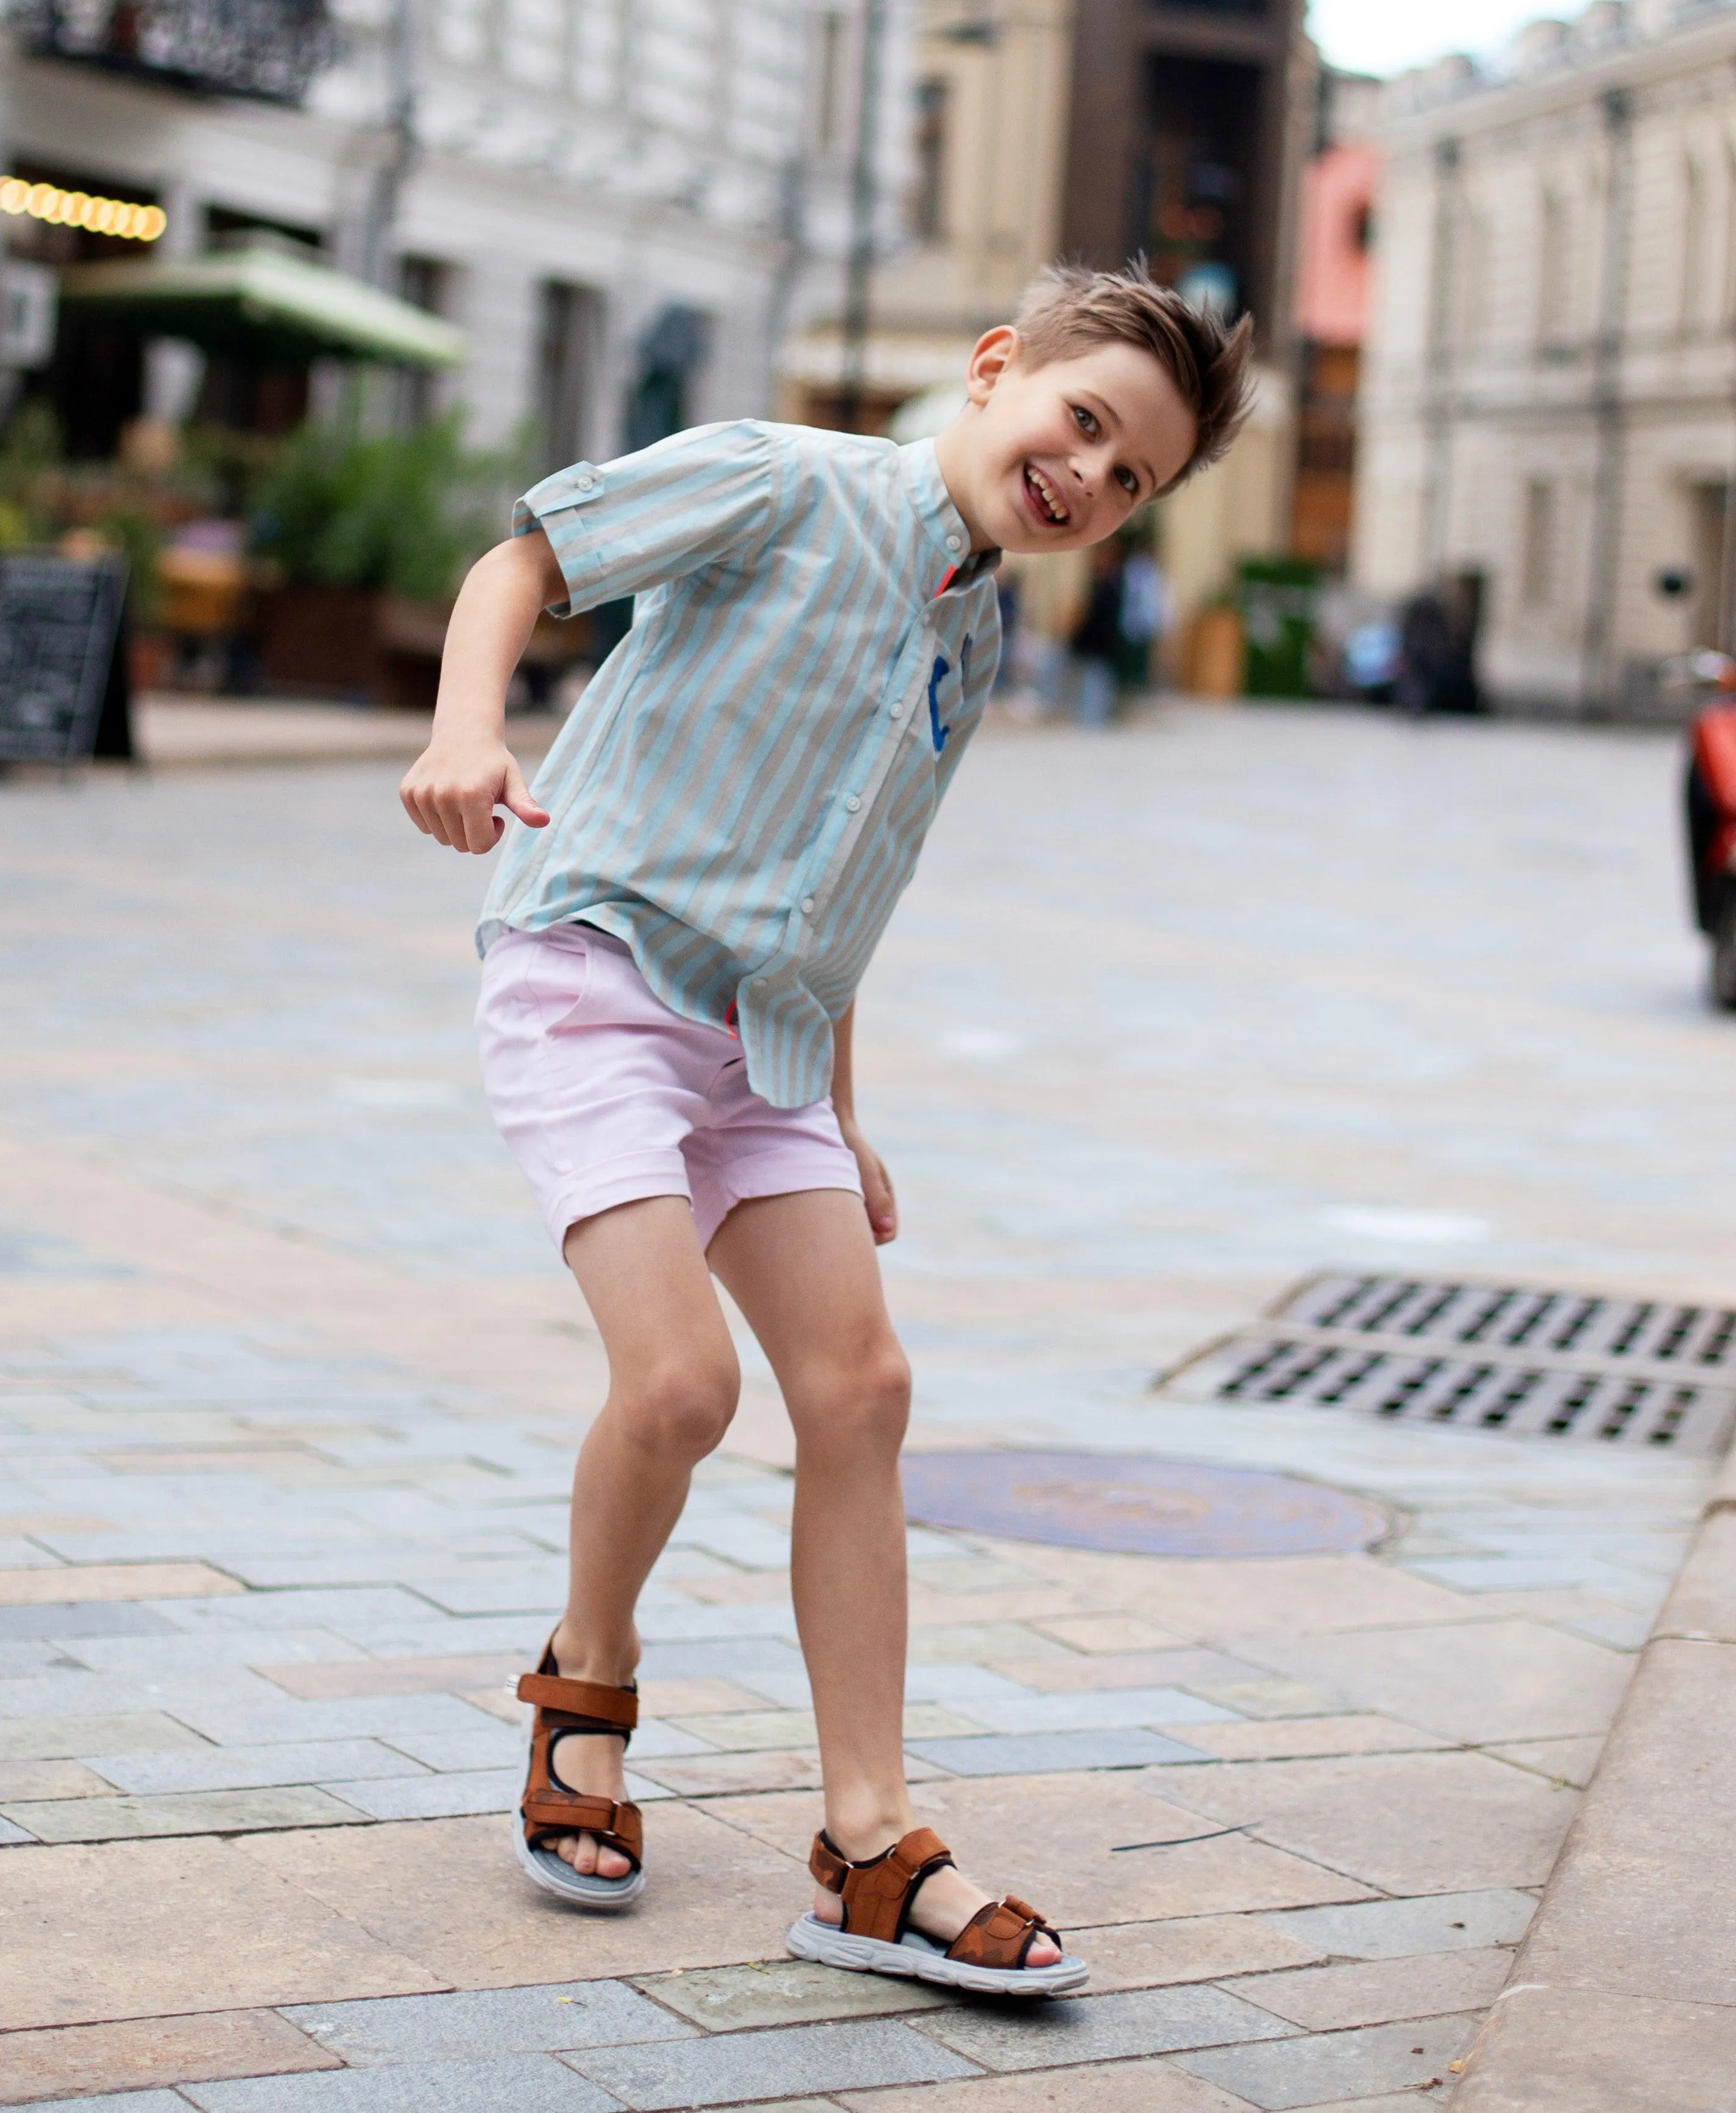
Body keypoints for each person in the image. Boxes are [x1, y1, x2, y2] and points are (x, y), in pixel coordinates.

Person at [398, 263, 1251, 1996]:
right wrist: (466, 729)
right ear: (997, 367)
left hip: (765, 1045)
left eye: (1131, 476)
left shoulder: (973, 627)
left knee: (861, 1387)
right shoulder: (781, 477)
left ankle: (866, 1841)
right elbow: (524, 562)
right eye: (1082, 421)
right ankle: (586, 1681)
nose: (1087, 474)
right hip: (595, 972)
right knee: (681, 1387)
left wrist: (841, 1112)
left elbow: (849, 877)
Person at [1066, 538, 1127, 727]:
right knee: (1091, 684)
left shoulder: (1113, 586)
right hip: (1095, 645)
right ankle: (1089, 720)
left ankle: (1093, 722)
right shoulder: (1101, 583)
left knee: (1096, 684)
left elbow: (1101, 618)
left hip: (1102, 645)